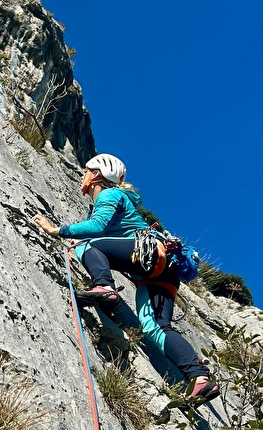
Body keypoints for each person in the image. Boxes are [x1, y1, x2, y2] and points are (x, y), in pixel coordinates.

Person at [33, 153, 219, 403]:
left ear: (96, 175)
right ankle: (199, 378)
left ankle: (104, 287)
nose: (82, 175)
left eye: (85, 170)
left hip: (149, 255)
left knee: (86, 244)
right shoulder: (118, 197)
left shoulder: (109, 195)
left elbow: (97, 227)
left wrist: (58, 230)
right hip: (163, 270)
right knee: (155, 326)